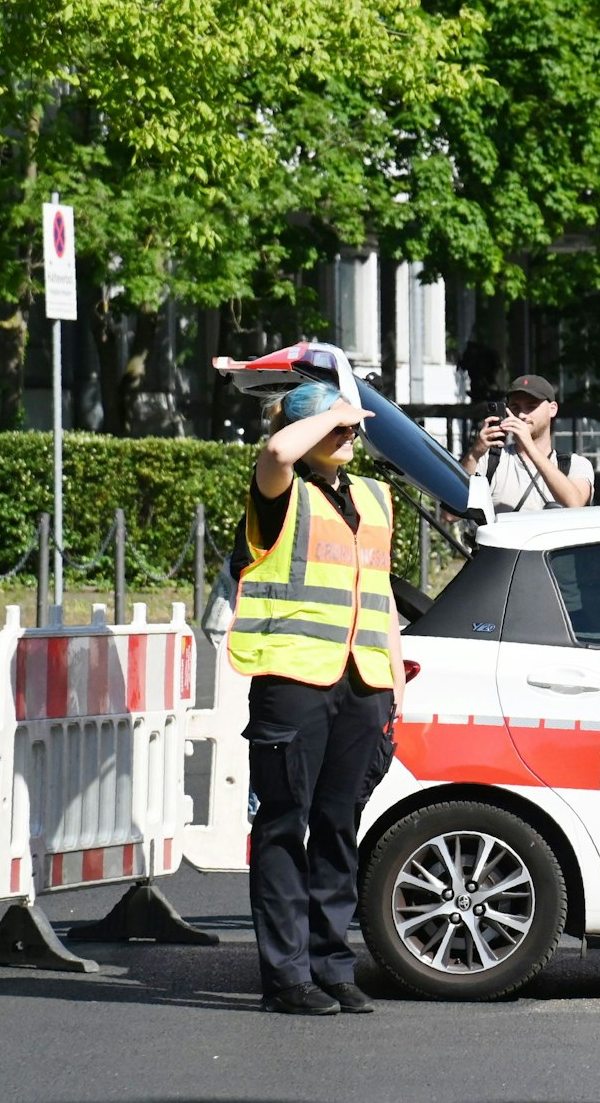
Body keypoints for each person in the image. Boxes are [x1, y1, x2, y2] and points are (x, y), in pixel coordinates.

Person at [231, 381, 406, 1016]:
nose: (351, 432)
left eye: (353, 425)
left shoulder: (375, 497)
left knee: (338, 829)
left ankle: (332, 965)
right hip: (294, 682)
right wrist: (333, 412)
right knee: (283, 826)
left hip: (361, 683)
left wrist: (394, 684)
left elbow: (380, 594)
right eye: (337, 425)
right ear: (307, 432)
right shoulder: (282, 489)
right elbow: (278, 452)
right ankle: (287, 976)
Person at [460, 374, 594, 513]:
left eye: (531, 406)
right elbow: (451, 515)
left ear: (552, 409)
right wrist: (474, 455)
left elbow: (575, 504)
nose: (522, 415)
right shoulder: (489, 461)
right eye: (515, 407)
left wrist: (529, 446)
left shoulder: (575, 464)